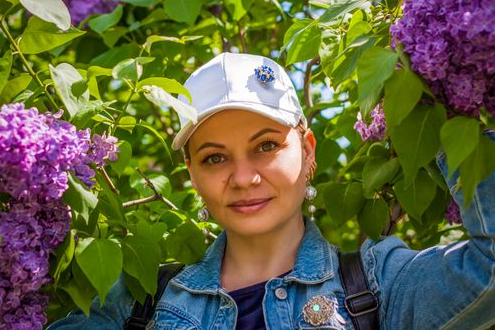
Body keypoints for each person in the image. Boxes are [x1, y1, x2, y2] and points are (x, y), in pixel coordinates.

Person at [48, 53, 495, 330]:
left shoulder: (379, 289)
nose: (243, 178)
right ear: (192, 173)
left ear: (308, 150)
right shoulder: (138, 302)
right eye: (215, 157)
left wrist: (442, 94)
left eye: (266, 146)